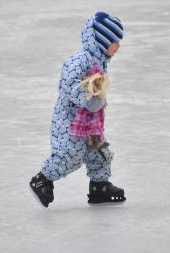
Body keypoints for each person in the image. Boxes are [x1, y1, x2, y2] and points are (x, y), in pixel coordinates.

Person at [29, 12, 126, 207]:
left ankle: (99, 187)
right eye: (115, 41)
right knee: (70, 156)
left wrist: (99, 102)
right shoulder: (79, 60)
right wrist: (89, 101)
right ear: (103, 40)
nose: (118, 46)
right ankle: (42, 179)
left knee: (99, 152)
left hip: (90, 123)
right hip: (69, 121)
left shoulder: (99, 62)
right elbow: (69, 84)